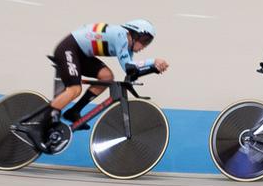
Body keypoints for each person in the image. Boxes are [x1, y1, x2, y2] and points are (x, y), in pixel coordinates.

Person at [17, 19, 169, 145]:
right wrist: (153, 61)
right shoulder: (121, 35)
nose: (144, 45)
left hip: (81, 54)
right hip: (69, 49)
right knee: (74, 89)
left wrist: (152, 69)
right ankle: (38, 128)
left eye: (147, 43)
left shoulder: (126, 44)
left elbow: (130, 71)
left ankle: (74, 111)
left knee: (107, 77)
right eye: (144, 40)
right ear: (133, 33)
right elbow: (129, 66)